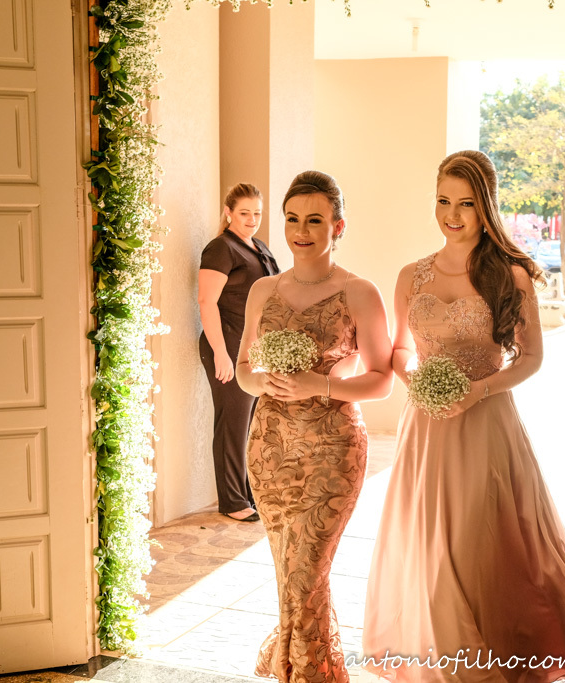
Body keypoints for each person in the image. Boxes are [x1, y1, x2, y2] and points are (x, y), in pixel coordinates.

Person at [362, 150, 565, 682]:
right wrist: (418, 380)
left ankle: (495, 656)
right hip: (426, 428)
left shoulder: (511, 275)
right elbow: (399, 350)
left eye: (466, 204)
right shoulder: (410, 276)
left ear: (486, 207)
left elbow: (532, 358)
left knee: (475, 547)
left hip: (485, 425)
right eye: (444, 201)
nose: (452, 215)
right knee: (430, 547)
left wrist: (476, 391)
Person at [236, 171, 393, 682]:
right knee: (290, 576)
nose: (301, 231)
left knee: (306, 573)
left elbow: (382, 380)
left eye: (315, 220)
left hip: (332, 450)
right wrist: (262, 381)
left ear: (337, 226)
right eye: (292, 219)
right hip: (270, 448)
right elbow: (243, 368)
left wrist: (318, 385)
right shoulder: (263, 290)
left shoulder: (359, 291)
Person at [198, 183, 279, 522]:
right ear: (228, 212)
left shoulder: (259, 247)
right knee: (232, 422)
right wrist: (221, 352)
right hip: (228, 343)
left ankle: (247, 493)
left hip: (252, 348)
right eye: (244, 213)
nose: (252, 219)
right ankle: (232, 501)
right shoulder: (221, 248)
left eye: (257, 213)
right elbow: (206, 301)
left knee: (249, 424)